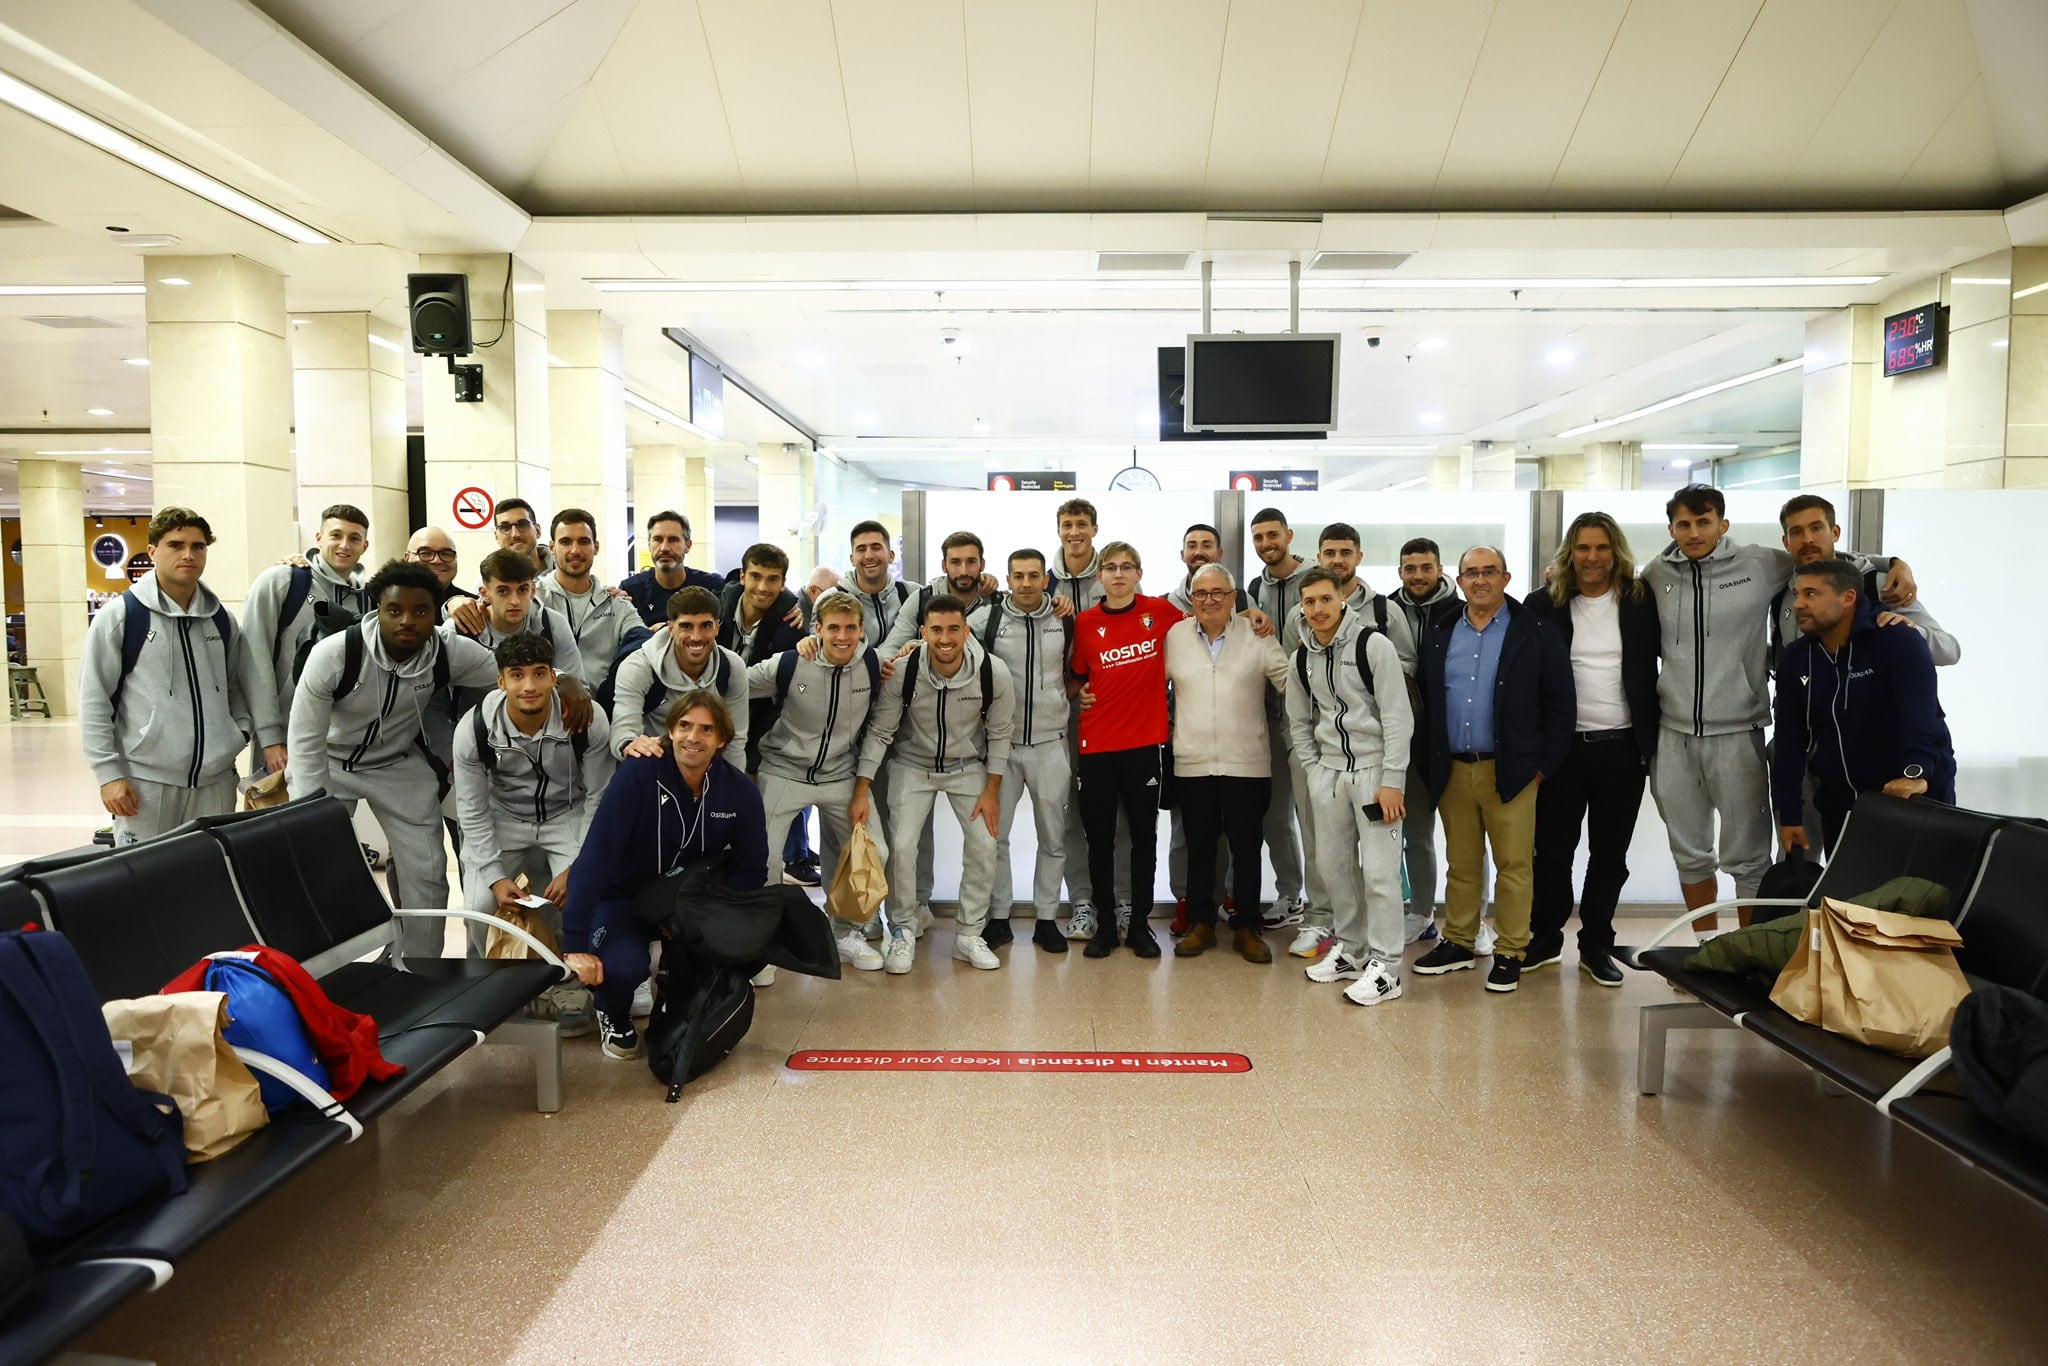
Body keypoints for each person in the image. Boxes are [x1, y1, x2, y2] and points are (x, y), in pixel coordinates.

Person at [1644, 484, 1913, 932]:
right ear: (1671, 528)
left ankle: (1745, 950)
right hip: (1672, 733)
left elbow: (1824, 557)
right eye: (1684, 524)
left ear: (1722, 524)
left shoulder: (1761, 563)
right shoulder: (1657, 573)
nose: (1694, 532)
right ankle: (1703, 946)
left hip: (1738, 729)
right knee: (1689, 852)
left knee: (1747, 857)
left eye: (1704, 521)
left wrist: (1891, 563)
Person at [286, 560, 508, 958]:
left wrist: (568, 683)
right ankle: (320, 973)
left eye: (420, 611)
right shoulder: (335, 654)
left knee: (427, 872)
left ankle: (418, 969)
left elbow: (510, 675)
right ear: (377, 610)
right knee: (314, 874)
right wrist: (309, 815)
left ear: (435, 612)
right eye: (395, 610)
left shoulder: (448, 650)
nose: (407, 620)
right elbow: (304, 742)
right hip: (330, 763)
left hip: (397, 765)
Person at [561, 692, 768, 1060]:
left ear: (721, 740)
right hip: (624, 899)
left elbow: (753, 870)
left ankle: (684, 993)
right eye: (685, 726)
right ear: (670, 730)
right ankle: (612, 1010)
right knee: (624, 967)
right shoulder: (638, 775)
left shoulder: (739, 791)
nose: (693, 737)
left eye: (706, 730)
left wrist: (704, 914)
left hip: (688, 905)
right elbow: (595, 859)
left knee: (754, 946)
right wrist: (575, 945)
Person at [1413, 546, 1574, 994]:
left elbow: (1561, 705)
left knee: (1514, 865)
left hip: (1513, 771)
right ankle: (1460, 942)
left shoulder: (1536, 632)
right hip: (1455, 770)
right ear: (1459, 580)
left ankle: (1510, 952)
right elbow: (1426, 698)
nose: (1480, 580)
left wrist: (1542, 767)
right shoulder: (1442, 630)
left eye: (1490, 572)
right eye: (1471, 573)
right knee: (1461, 864)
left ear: (1506, 577)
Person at [1522, 513, 1659, 987]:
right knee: (1553, 851)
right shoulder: (1542, 604)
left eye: (1602, 548)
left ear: (1616, 551)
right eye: (1583, 548)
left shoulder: (1641, 601)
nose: (1593, 557)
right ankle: (1544, 937)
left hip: (1623, 748)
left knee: (1609, 854)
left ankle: (1596, 943)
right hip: (1562, 751)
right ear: (1569, 553)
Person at [452, 634, 614, 1030]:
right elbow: (471, 810)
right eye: (517, 675)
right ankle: (495, 985)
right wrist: (494, 877)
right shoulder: (473, 729)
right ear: (500, 681)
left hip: (569, 814)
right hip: (504, 816)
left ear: (553, 678)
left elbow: (600, 799)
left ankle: (573, 984)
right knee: (478, 906)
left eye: (539, 674)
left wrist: (578, 866)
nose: (529, 686)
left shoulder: (586, 719)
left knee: (589, 896)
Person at [851, 594, 1014, 974]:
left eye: (953, 629)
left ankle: (969, 934)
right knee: (904, 847)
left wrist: (992, 790)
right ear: (923, 632)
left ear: (966, 630)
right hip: (912, 764)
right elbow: (880, 731)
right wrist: (862, 787)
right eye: (936, 630)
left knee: (985, 844)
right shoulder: (904, 671)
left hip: (968, 767)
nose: (945, 638)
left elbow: (1001, 733)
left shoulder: (994, 672)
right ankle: (904, 931)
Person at [80, 507, 260, 844]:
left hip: (215, 782)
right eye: (175, 545)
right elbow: (94, 700)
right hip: (145, 784)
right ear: (152, 551)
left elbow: (236, 685)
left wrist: (238, 733)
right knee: (143, 884)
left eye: (198, 546)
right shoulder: (122, 617)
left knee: (208, 879)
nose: (188, 554)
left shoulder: (220, 620)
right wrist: (108, 775)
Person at [1286, 567, 1414, 1001]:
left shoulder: (1372, 645)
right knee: (1334, 869)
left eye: (1326, 599)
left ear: (1343, 598)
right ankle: (1353, 949)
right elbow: (1299, 722)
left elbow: (1398, 717)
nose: (1318, 609)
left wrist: (1393, 780)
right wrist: (1314, 769)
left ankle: (1388, 967)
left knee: (1380, 875)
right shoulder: (1302, 657)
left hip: (1376, 774)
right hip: (1330, 775)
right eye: (1309, 602)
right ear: (1301, 606)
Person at [1772, 559, 1956, 855]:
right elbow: (1789, 741)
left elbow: (1922, 718)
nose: (1798, 604)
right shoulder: (1797, 659)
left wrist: (1915, 774)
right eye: (1797, 594)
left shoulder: (1898, 640)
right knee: (1850, 899)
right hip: (1841, 807)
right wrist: (1790, 813)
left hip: (1910, 798)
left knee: (1918, 897)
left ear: (1848, 598)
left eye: (1811, 594)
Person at [748, 591, 889, 971]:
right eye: (833, 628)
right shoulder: (792, 664)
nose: (841, 637)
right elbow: (733, 684)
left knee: (873, 851)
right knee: (763, 859)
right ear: (818, 629)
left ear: (862, 631)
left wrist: (862, 786)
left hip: (841, 775)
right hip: (783, 771)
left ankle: (846, 932)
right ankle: (765, 943)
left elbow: (879, 728)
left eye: (849, 628)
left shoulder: (874, 665)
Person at [877, 530, 1004, 933]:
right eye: (956, 562)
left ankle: (973, 929)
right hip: (916, 747)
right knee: (907, 840)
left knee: (985, 844)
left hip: (971, 744)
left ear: (982, 564)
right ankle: (911, 912)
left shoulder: (997, 601)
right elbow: (891, 646)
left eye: (971, 562)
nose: (963, 570)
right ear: (944, 563)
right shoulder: (919, 600)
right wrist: (894, 663)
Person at [1167, 563, 1291, 962]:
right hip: (1193, 761)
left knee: (1246, 848)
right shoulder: (1175, 637)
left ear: (1234, 597)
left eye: (1218, 592)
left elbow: (1291, 680)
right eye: (1201, 593)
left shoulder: (1256, 635)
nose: (1209, 600)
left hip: (1247, 762)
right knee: (1200, 848)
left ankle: (1247, 926)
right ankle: (1201, 923)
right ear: (1191, 598)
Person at [1069, 541, 1181, 959]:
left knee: (1142, 838)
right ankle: (1103, 925)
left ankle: (1138, 925)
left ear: (1139, 573)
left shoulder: (1163, 612)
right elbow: (1077, 677)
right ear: (1099, 576)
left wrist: (1251, 616)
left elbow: (1209, 619)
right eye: (1110, 567)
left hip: (1143, 746)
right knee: (1098, 839)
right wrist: (1078, 694)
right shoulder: (1085, 622)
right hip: (1096, 745)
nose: (1118, 574)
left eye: (1126, 567)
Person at [967, 549, 1075, 955]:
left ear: (1046, 579)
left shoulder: (1065, 618)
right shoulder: (986, 621)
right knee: (996, 836)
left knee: (1053, 838)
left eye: (1034, 575)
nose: (1026, 583)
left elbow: (1079, 670)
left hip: (1051, 744)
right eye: (1018, 576)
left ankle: (1047, 919)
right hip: (1002, 747)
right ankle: (999, 918)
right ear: (1008, 579)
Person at [242, 503, 370, 775]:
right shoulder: (282, 582)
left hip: (342, 744)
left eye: (354, 538)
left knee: (331, 817)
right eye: (336, 535)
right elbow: (254, 660)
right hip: (285, 739)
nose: (344, 545)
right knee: (278, 816)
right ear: (319, 538)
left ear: (365, 546)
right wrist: (270, 737)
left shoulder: (367, 600)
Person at [1047, 498, 1124, 942]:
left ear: (1094, 528)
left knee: (1119, 815)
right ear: (1058, 530)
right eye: (1067, 524)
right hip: (1064, 712)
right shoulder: (1045, 578)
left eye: (1081, 524)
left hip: (1112, 712)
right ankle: (1081, 903)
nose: (1074, 531)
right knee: (1073, 813)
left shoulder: (1111, 572)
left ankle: (1120, 901)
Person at [719, 542, 814, 887]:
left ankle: (752, 885)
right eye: (755, 576)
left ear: (783, 581)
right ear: (743, 575)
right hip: (712, 713)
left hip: (759, 721)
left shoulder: (792, 622)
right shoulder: (720, 603)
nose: (762, 587)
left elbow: (782, 690)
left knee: (751, 810)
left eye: (772, 579)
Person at [1775, 495, 1957, 666]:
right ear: (1786, 542)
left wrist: (1908, 632)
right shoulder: (1779, 589)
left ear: (1835, 532)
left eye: (1816, 528)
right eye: (1797, 532)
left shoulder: (1879, 583)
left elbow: (1949, 651)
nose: (1808, 539)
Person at [1388, 537, 1462, 944]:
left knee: (1465, 841)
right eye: (1410, 568)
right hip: (1407, 742)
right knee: (1416, 835)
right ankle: (1421, 912)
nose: (1418, 575)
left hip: (1454, 739)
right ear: (1400, 572)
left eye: (1426, 567)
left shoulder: (1463, 609)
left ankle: (1472, 921)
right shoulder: (1386, 609)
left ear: (1440, 568)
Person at [1245, 507, 1313, 933]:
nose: (1267, 544)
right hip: (1269, 719)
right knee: (1274, 816)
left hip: (1314, 722)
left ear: (1288, 534)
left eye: (1273, 535)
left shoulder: (1318, 580)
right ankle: (1291, 894)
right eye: (1259, 538)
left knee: (1316, 818)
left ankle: (1329, 908)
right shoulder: (1254, 588)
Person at [607, 585, 751, 760]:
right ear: (671, 628)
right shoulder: (639, 667)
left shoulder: (732, 667)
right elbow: (623, 731)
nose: (696, 636)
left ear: (717, 628)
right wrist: (631, 744)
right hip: (654, 763)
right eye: (686, 626)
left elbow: (734, 741)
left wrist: (732, 784)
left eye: (706, 625)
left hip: (705, 764)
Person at [538, 509, 644, 692]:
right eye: (565, 542)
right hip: (546, 710)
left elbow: (644, 644)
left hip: (604, 712)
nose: (575, 550)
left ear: (596, 547)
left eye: (584, 542)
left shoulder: (617, 604)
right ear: (552, 548)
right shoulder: (534, 599)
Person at [452, 550, 588, 681]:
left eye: (523, 590)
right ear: (484, 593)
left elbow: (577, 689)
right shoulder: (460, 627)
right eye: (503, 591)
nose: (515, 601)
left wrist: (566, 682)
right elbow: (436, 697)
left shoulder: (552, 623)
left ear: (533, 590)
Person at [620, 510, 726, 628]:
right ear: (649, 544)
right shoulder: (631, 590)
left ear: (688, 545)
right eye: (658, 540)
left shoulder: (713, 586)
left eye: (673, 540)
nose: (664, 548)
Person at [845, 520, 911, 644]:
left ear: (891, 556)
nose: (868, 556)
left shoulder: (913, 595)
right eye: (861, 549)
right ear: (852, 559)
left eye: (876, 548)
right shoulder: (830, 600)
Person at [405, 526, 476, 611]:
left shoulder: (476, 609)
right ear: (407, 558)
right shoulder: (390, 602)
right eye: (426, 553)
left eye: (446, 554)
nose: (437, 560)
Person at [491, 497, 551, 573]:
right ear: (497, 537)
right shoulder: (489, 582)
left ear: (537, 531)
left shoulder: (565, 573)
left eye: (522, 524)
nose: (515, 534)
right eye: (505, 527)